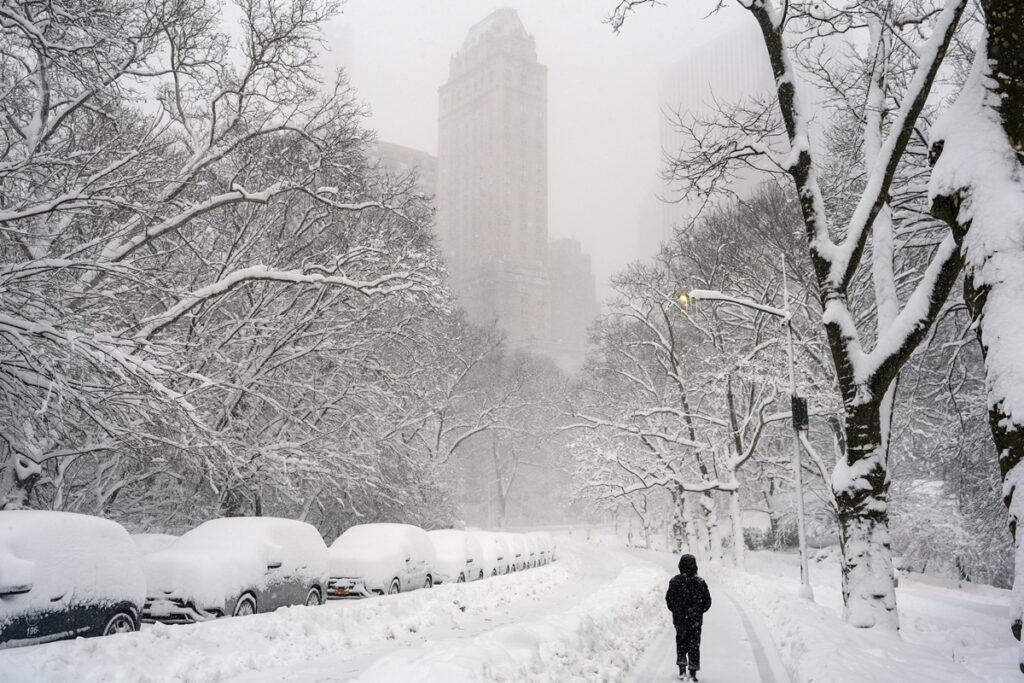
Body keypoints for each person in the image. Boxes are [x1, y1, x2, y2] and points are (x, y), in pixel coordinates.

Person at [665, 553, 712, 681]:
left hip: (680, 619)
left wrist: (676, 610)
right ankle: (693, 671)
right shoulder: (700, 582)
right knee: (694, 644)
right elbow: (707, 602)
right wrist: (699, 611)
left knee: (681, 642)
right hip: (695, 620)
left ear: (680, 565)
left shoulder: (675, 581)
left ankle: (681, 668)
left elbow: (669, 600)